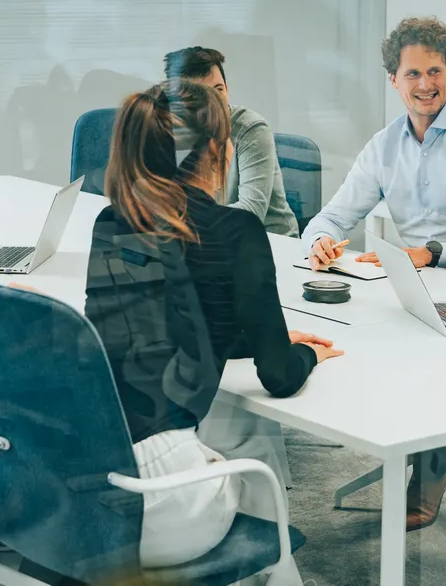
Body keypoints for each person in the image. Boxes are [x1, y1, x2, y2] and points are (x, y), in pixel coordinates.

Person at [84, 81, 342, 571]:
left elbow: (167, 321)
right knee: (255, 433)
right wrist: (307, 354)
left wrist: (255, 340)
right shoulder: (235, 230)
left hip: (87, 479)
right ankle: (276, 573)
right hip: (157, 502)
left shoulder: (112, 221)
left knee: (240, 426)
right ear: (219, 151)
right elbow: (280, 378)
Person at [302, 16, 446, 279]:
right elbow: (331, 219)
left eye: (434, 71)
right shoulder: (383, 146)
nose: (425, 85)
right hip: (424, 288)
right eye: (413, 74)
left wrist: (431, 254)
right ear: (394, 80)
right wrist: (320, 241)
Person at [164, 46, 300, 237]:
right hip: (210, 240)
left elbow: (251, 211)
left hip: (269, 241)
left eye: (219, 90)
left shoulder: (250, 128)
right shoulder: (171, 128)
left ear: (227, 88)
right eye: (202, 94)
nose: (216, 101)